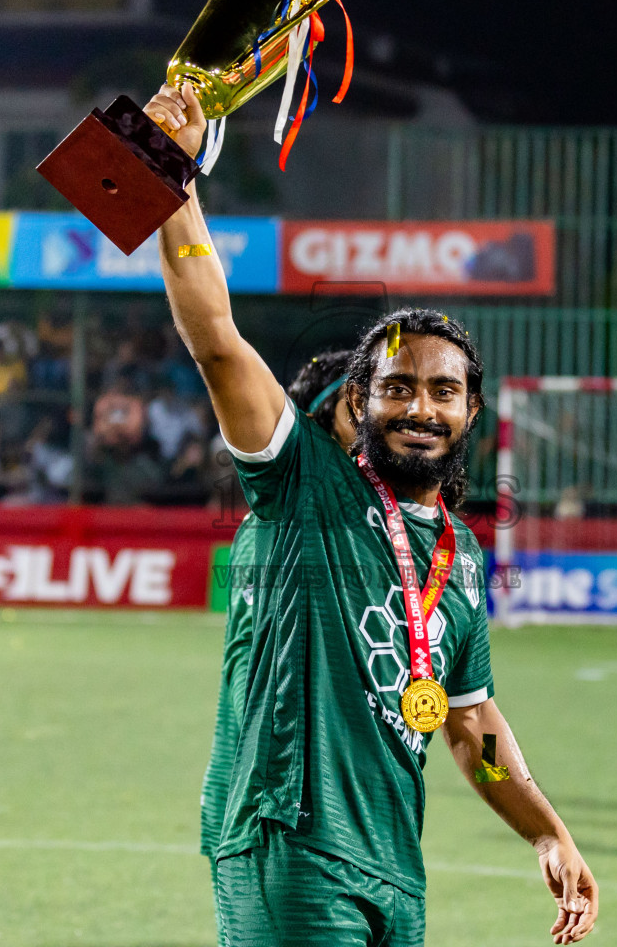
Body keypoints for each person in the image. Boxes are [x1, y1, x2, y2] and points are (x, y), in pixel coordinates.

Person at [149, 81, 598, 947]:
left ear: (472, 411)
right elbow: (217, 341)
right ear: (360, 402)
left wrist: (546, 830)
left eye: (443, 391)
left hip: (395, 865)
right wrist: (175, 182)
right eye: (397, 387)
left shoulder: (460, 555)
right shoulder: (303, 481)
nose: (420, 407)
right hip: (290, 842)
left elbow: (469, 723)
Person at [199, 348, 356, 945]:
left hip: (287, 796)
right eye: (358, 403)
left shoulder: (299, 520)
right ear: (314, 421)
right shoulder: (290, 515)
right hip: (272, 801)